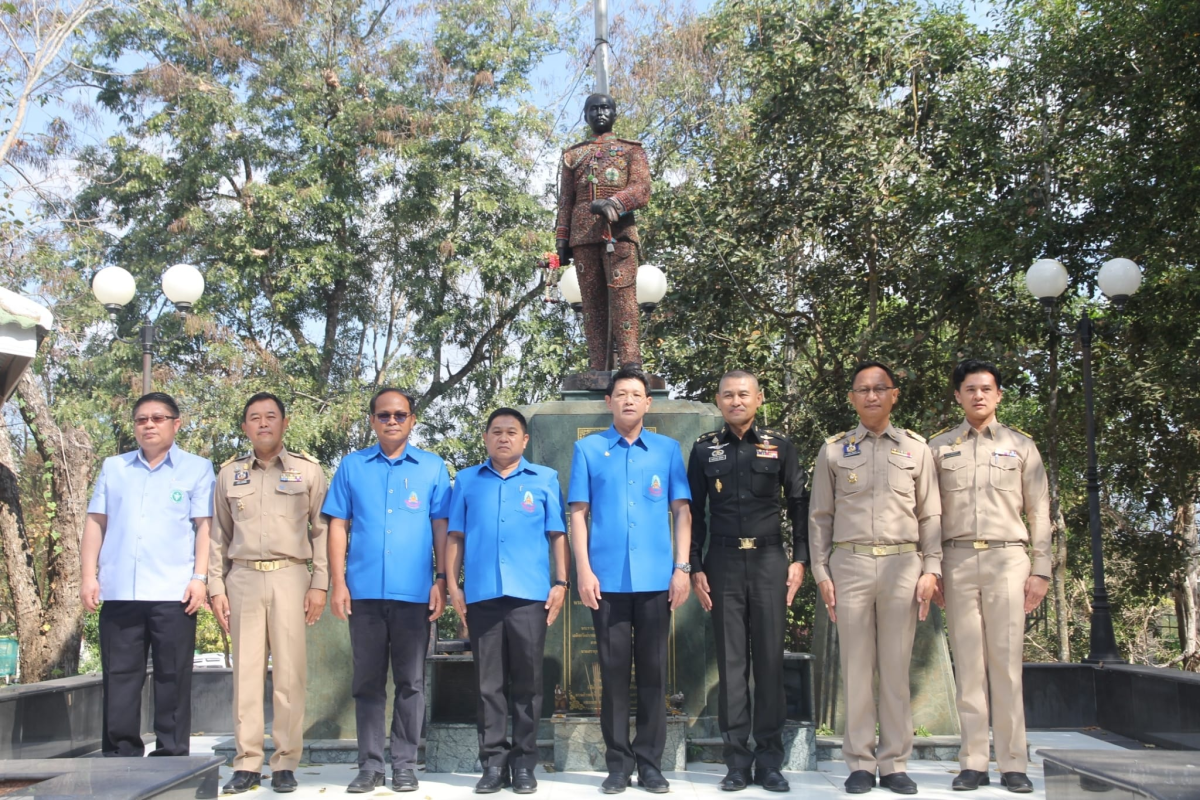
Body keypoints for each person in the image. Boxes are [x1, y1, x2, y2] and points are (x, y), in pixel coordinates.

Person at [809, 362, 942, 795]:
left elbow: (931, 513)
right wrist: (820, 570)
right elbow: (820, 517)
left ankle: (895, 762)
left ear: (893, 394)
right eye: (862, 390)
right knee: (857, 668)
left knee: (896, 669)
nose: (871, 396)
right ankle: (860, 763)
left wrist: (932, 568)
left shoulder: (917, 450)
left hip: (903, 565)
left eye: (879, 388)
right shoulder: (833, 450)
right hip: (849, 565)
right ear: (852, 398)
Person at [567, 364, 692, 794]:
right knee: (614, 674)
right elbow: (578, 514)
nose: (628, 400)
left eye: (636, 394)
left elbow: (681, 512)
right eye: (620, 394)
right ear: (608, 401)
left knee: (654, 674)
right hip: (607, 583)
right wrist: (583, 569)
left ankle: (651, 765)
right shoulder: (587, 450)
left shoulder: (667, 450)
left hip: (657, 580)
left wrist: (682, 568)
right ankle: (618, 764)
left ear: (648, 402)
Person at [929, 360, 1050, 794]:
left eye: (986, 388)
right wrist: (932, 568)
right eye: (969, 389)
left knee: (1007, 666)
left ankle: (1014, 762)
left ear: (998, 395)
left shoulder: (1021, 447)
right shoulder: (939, 449)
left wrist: (1041, 570)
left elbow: (1039, 513)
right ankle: (974, 762)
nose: (978, 395)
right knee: (970, 668)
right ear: (957, 396)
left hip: (1008, 562)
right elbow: (929, 514)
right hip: (957, 562)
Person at [323, 388, 451, 794]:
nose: (392, 421)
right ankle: (370, 766)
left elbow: (441, 529)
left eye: (400, 415)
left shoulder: (432, 468)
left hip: (414, 594)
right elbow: (338, 525)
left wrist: (443, 580)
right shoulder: (352, 466)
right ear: (373, 420)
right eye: (383, 415)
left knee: (412, 682)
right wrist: (338, 582)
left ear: (413, 419)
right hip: (363, 593)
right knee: (367, 683)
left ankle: (405, 764)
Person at [687, 370, 809, 792]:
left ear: (758, 399)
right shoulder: (705, 450)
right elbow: (693, 512)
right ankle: (737, 760)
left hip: (770, 560)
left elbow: (798, 503)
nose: (736, 401)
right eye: (728, 395)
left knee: (770, 664)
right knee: (732, 665)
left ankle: (770, 760)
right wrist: (694, 565)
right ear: (718, 401)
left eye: (744, 394)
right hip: (721, 562)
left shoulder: (780, 446)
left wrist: (802, 560)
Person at [80, 392, 215, 757]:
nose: (149, 425)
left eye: (158, 418)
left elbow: (205, 527)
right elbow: (96, 522)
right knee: (120, 678)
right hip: (120, 590)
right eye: (142, 420)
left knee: (173, 677)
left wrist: (199, 578)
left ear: (176, 423)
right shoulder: (114, 467)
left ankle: (171, 754)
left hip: (174, 592)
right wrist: (88, 576)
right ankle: (121, 753)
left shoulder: (198, 468)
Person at [209, 392, 329, 794]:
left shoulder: (308, 472)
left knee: (290, 675)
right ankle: (246, 762)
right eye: (254, 418)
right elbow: (218, 536)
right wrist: (215, 586)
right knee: (245, 674)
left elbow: (322, 531)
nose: (263, 423)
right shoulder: (228, 474)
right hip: (241, 578)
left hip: (290, 576)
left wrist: (319, 582)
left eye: (270, 417)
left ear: (284, 423)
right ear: (244, 426)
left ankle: (285, 763)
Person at [445, 408, 570, 795]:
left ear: (525, 440)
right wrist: (453, 586)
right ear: (485, 438)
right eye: (496, 432)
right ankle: (493, 765)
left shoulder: (544, 479)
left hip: (529, 597)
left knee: (529, 686)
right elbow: (455, 537)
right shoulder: (466, 482)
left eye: (511, 432)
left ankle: (525, 764)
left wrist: (561, 582)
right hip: (482, 596)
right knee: (488, 686)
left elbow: (557, 534)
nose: (503, 438)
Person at [554, 93, 652, 370]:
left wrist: (615, 202)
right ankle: (598, 365)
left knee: (624, 298)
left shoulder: (632, 150)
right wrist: (562, 241)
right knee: (592, 304)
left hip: (619, 232)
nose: (600, 113)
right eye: (593, 109)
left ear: (615, 113)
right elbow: (565, 200)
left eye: (605, 108)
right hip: (582, 236)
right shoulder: (573, 155)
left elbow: (642, 188)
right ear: (585, 115)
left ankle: (631, 363)